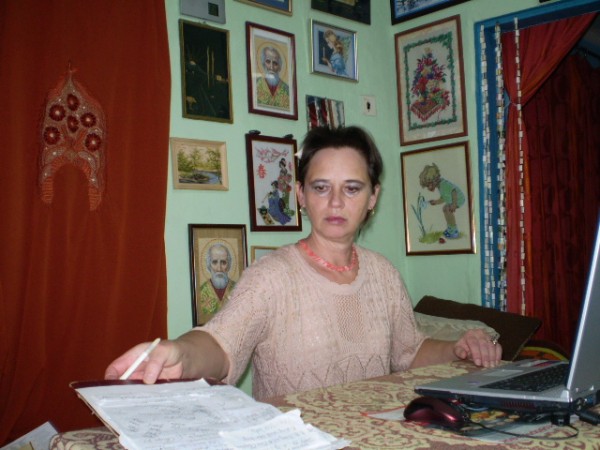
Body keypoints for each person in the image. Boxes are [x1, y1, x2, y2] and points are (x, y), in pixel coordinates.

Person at [105, 126, 501, 401]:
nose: (336, 202)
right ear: (299, 194)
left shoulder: (384, 275)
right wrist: (180, 352)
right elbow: (221, 345)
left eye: (352, 188)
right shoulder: (270, 278)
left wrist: (458, 349)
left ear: (373, 197)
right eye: (321, 187)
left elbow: (409, 352)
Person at [419, 163, 466, 239]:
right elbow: (444, 198)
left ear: (434, 180)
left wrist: (454, 204)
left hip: (458, 199)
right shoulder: (440, 186)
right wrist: (435, 202)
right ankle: (450, 229)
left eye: (428, 185)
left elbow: (453, 191)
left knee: (447, 209)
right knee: (445, 208)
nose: (428, 188)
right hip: (453, 199)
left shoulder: (444, 185)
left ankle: (454, 231)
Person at [197, 243, 236, 324]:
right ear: (209, 265)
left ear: (229, 265)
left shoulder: (238, 289)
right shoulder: (200, 292)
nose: (219, 268)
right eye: (214, 262)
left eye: (223, 262)